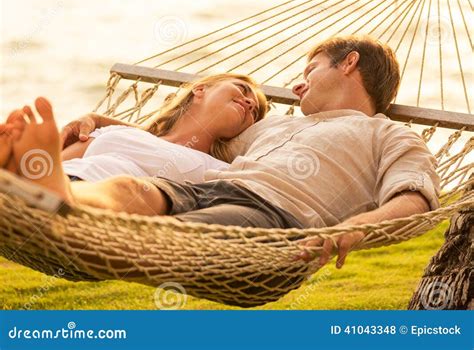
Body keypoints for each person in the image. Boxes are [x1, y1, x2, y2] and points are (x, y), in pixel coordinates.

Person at [0, 36, 440, 269]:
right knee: (132, 187)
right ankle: (65, 197)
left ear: (348, 64)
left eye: (310, 70)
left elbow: (415, 197)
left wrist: (356, 228)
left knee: (162, 244)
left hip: (272, 219)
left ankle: (60, 218)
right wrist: (98, 124)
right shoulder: (275, 127)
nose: (297, 85)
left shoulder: (391, 137)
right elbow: (177, 142)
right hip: (207, 189)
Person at [60, 74, 267, 184]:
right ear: (200, 90)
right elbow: (52, 163)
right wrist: (98, 119)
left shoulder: (220, 172)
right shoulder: (116, 132)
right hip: (53, 184)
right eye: (242, 89)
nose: (249, 103)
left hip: (93, 209)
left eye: (255, 112)